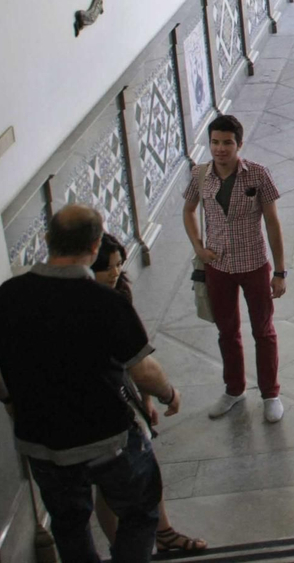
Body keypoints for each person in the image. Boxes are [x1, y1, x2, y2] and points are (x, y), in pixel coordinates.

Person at [0, 205, 182, 563]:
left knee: (69, 526)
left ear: (47, 239)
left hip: (41, 443)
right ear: (95, 244)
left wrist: (9, 399)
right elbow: (143, 370)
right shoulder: (105, 303)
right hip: (107, 440)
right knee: (140, 512)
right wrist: (168, 393)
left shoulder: (9, 295)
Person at [90, 234, 208, 556]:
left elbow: (133, 358)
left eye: (118, 265)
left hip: (121, 397)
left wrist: (146, 401)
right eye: (107, 267)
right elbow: (142, 367)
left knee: (134, 472)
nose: (115, 273)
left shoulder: (117, 297)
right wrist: (167, 393)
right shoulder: (93, 304)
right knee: (122, 481)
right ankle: (131, 548)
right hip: (104, 409)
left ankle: (160, 535)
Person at [181, 114, 288, 422]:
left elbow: (272, 222)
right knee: (226, 331)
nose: (220, 149)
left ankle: (270, 393)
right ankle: (234, 389)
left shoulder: (257, 174)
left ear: (239, 144)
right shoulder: (201, 175)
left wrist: (280, 272)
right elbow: (188, 210)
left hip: (254, 263)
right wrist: (198, 246)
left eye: (227, 143)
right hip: (218, 266)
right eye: (215, 142)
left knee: (263, 331)